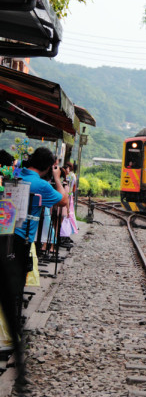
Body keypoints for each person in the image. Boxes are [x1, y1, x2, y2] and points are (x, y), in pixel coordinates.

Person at [3, 147, 68, 385]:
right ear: (48, 166)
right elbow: (64, 201)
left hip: (3, 234)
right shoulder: (41, 185)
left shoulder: (13, 174)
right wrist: (58, 178)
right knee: (15, 286)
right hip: (19, 241)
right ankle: (10, 335)